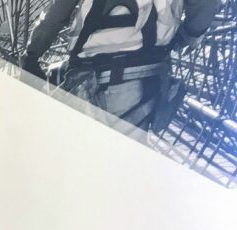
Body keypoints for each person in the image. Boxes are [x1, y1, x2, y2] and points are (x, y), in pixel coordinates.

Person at [21, 0, 219, 133]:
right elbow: (205, 6)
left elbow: (58, 10)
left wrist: (32, 55)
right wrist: (187, 35)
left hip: (91, 73)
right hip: (146, 76)